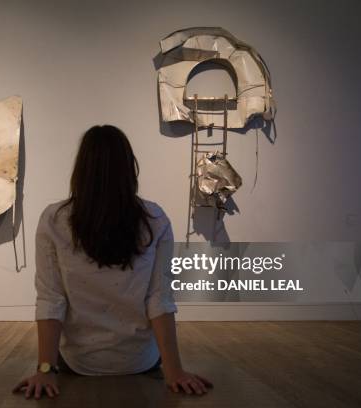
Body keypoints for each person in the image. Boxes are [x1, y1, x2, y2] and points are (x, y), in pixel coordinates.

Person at [12, 125, 213, 399]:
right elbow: (160, 298)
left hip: (77, 363)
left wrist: (46, 369)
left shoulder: (54, 219)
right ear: (129, 169)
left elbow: (51, 299)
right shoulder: (154, 219)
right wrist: (175, 370)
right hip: (141, 360)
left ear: (80, 170)